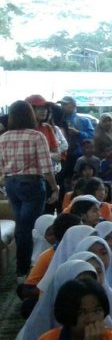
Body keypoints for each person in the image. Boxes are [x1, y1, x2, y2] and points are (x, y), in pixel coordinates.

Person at [1, 101, 61, 278]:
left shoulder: (3, 137)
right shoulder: (36, 136)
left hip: (11, 184)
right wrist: (54, 188)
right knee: (29, 227)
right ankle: (25, 269)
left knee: (21, 225)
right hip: (32, 184)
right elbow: (46, 167)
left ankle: (22, 267)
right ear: (30, 115)